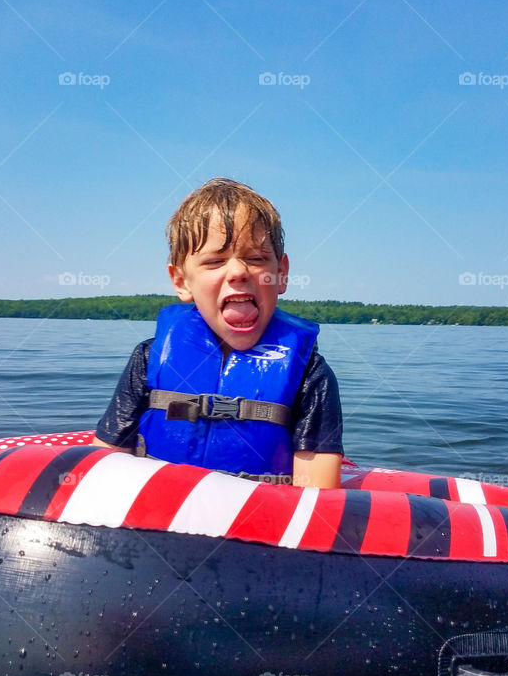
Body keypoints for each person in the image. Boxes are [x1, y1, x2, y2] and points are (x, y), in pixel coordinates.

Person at [92, 178, 343, 488]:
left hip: (259, 527)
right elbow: (105, 465)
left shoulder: (311, 374)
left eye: (256, 258)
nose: (238, 272)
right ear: (182, 281)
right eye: (214, 261)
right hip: (158, 523)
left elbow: (317, 495)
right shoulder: (148, 359)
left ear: (281, 274)